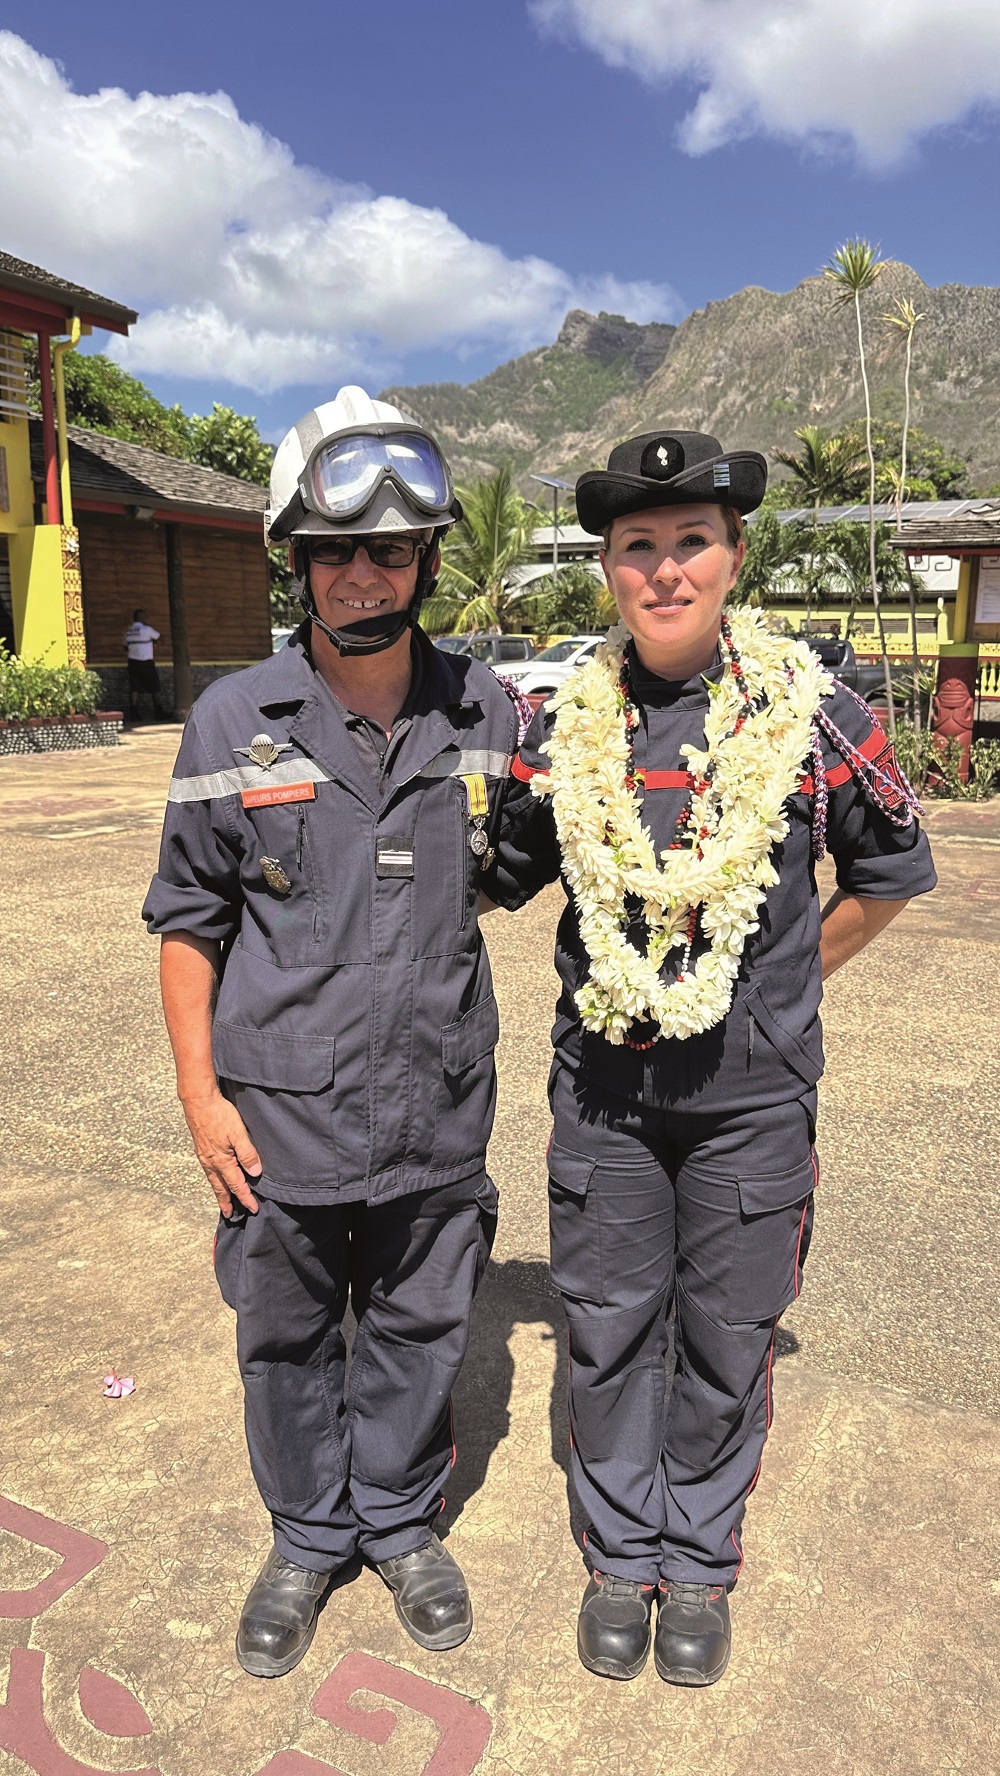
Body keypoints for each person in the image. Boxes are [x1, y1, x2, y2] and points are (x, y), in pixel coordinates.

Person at [483, 429, 937, 1688]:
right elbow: (500, 871)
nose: (665, 568)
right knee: (607, 1328)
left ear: (734, 557)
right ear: (609, 571)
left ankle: (696, 1564)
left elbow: (889, 873)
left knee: (728, 1335)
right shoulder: (562, 723)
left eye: (691, 541)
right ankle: (619, 1558)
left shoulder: (814, 709)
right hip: (605, 1100)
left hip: (751, 1106)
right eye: (638, 546)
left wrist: (777, 986)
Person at [143, 387, 525, 1679]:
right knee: (286, 1340)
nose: (364, 574)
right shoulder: (231, 721)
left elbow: (511, 868)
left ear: (426, 558)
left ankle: (402, 1525)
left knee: (422, 1329)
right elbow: (188, 919)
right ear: (296, 563)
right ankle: (308, 1538)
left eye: (392, 550)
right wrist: (200, 1099)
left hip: (435, 1104)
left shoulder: (489, 712)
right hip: (279, 1116)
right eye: (336, 552)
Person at [124, 608, 168, 721]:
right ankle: (158, 712)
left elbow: (125, 647)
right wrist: (155, 643)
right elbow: (160, 637)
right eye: (144, 616)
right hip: (146, 662)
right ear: (140, 617)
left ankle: (134, 713)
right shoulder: (146, 629)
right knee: (155, 687)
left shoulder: (128, 631)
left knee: (135, 688)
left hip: (132, 662)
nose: (146, 618)